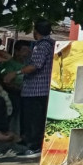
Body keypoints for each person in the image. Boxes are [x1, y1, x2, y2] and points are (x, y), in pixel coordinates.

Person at [19, 21, 55, 157]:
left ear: (36, 31)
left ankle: (34, 147)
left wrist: (17, 73)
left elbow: (35, 65)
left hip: (35, 90)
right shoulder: (52, 44)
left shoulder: (41, 46)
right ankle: (36, 145)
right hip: (44, 89)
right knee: (39, 120)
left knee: (34, 121)